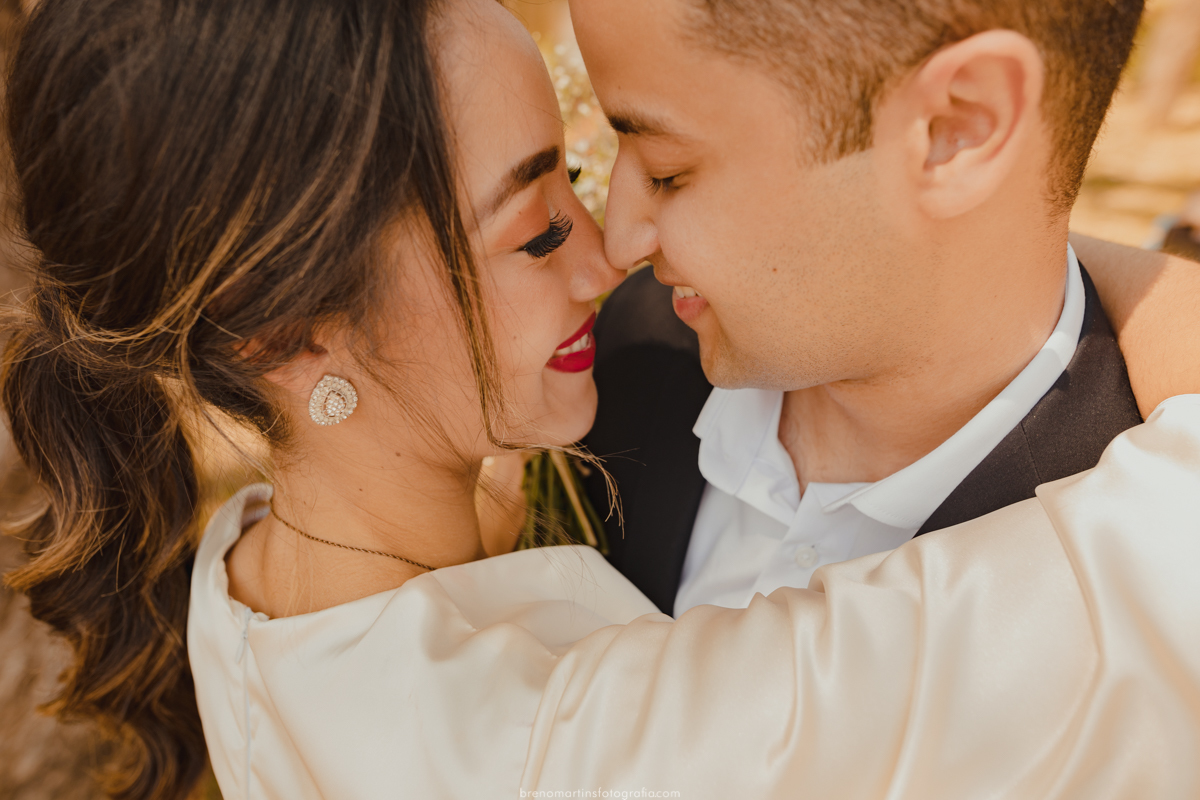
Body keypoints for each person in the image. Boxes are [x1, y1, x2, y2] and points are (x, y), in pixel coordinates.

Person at [3, 1, 1200, 800]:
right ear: (284, 332)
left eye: (650, 166)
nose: (616, 243)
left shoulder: (263, 574)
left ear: (956, 128)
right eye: (532, 229)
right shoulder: (560, 742)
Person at [570, 0, 1161, 616]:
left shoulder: (1138, 573)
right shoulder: (633, 351)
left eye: (669, 171)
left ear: (953, 129)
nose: (619, 242)